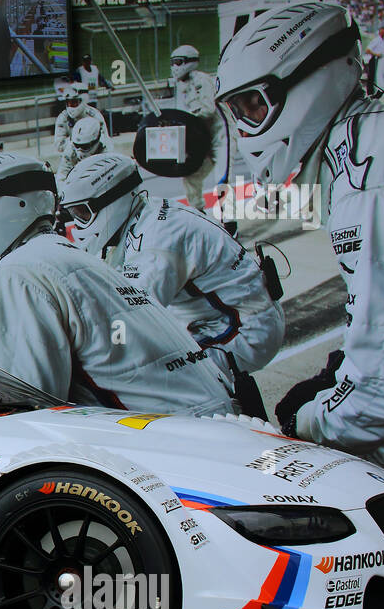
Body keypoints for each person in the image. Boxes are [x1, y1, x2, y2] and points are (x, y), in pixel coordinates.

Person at [217, 1, 384, 578]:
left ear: (308, 82)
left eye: (254, 104)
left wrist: (303, 425)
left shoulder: (376, 180)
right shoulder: (380, 136)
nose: (246, 126)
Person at [0, 154, 237, 415]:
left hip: (172, 451)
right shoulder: (60, 256)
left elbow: (25, 408)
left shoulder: (18, 273)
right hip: (206, 425)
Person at [59, 153, 284, 415]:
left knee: (149, 380)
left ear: (113, 200)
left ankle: (232, 424)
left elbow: (129, 319)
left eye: (82, 213)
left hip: (243, 331)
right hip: (218, 320)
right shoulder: (144, 213)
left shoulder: (159, 240)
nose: (77, 224)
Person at [169, 44, 229, 211]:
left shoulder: (201, 80)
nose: (175, 67)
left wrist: (184, 119)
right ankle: (199, 212)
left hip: (221, 134)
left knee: (223, 177)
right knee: (191, 176)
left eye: (178, 62)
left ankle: (230, 222)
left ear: (190, 62)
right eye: (172, 62)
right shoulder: (180, 86)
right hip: (203, 137)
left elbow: (207, 109)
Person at [52, 84, 108, 160]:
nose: (70, 107)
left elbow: (105, 143)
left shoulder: (95, 116)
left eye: (74, 103)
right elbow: (59, 145)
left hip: (94, 158)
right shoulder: (63, 118)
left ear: (83, 100)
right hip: (72, 159)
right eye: (68, 103)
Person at [55, 116, 105, 182]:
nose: (80, 150)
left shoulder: (105, 150)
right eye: (77, 145)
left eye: (85, 146)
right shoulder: (70, 149)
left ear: (96, 141)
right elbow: (62, 176)